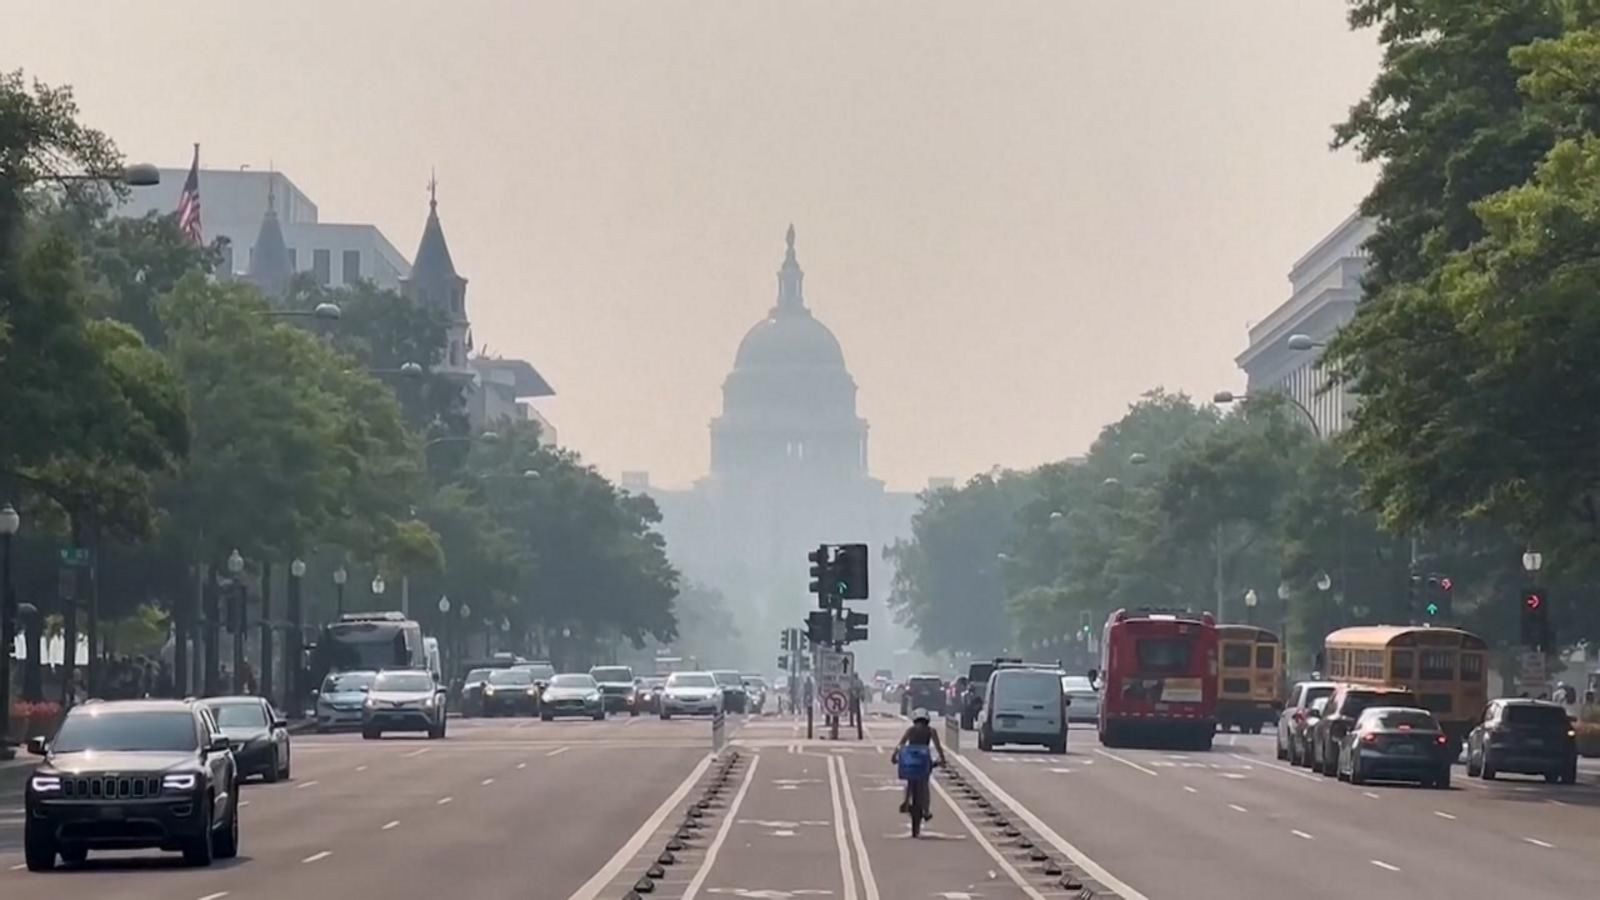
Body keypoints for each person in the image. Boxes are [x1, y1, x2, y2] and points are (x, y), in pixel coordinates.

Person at [891, 709, 947, 824]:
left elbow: (901, 744)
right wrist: (942, 759)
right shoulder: (931, 731)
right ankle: (926, 810)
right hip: (924, 761)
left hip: (911, 761)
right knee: (924, 786)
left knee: (910, 782)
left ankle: (906, 802)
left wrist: (894, 755)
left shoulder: (911, 730)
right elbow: (938, 747)